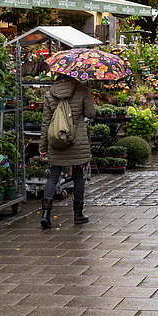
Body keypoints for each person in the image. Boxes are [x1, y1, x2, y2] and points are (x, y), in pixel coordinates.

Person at [38, 73, 96, 228]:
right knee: (78, 177)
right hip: (77, 142)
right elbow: (91, 113)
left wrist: (42, 147)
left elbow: (45, 123)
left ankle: (45, 214)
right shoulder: (82, 90)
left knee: (53, 177)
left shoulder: (50, 93)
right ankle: (78, 214)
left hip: (56, 142)